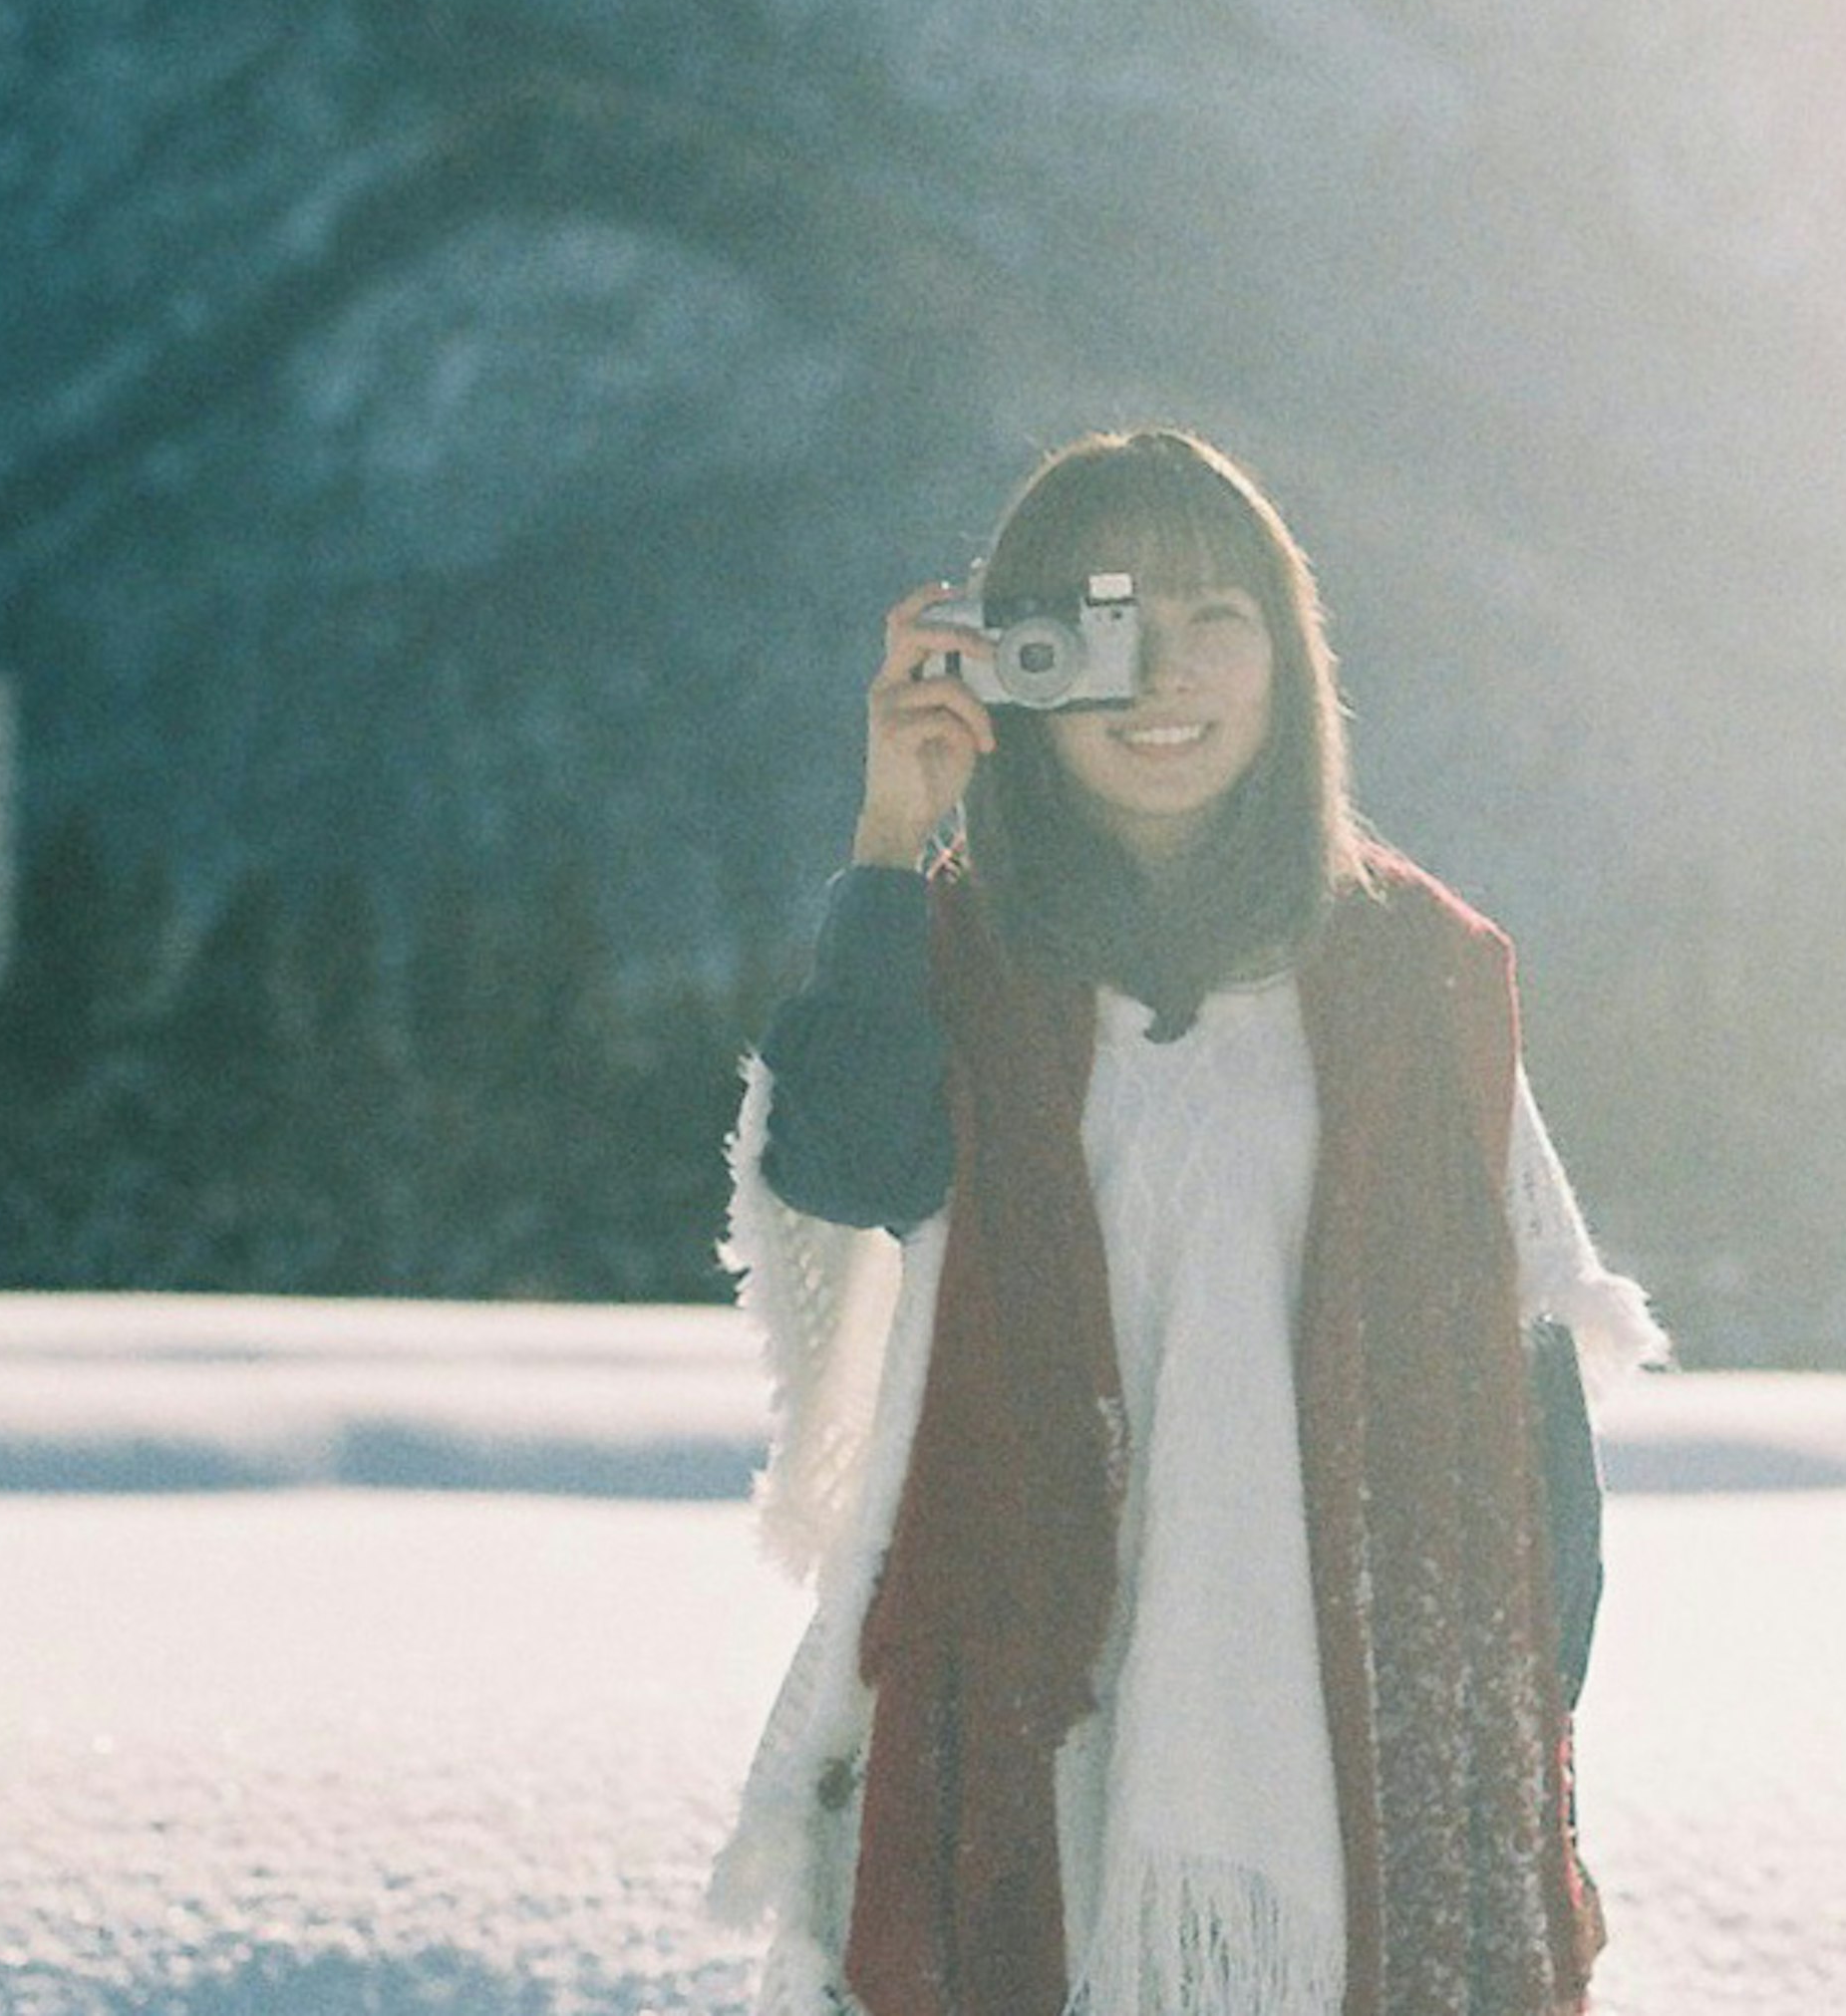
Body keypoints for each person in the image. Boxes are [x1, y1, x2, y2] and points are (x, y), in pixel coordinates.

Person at [710, 428, 1664, 2016]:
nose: (1162, 677)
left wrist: (1509, 1750)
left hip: (1347, 1720)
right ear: (1020, 669)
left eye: (1212, 614)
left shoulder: (1413, 971)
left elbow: (1531, 1412)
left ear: (1288, 654)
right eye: (1103, 626)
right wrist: (890, 837)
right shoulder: (962, 958)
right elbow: (842, 1166)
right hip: (1034, 1711)